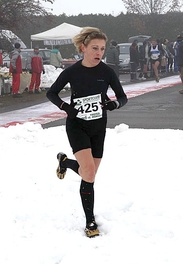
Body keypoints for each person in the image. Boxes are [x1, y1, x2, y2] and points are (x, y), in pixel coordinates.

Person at [46, 27, 128, 238]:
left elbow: (122, 97)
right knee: (89, 173)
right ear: (83, 48)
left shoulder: (107, 72)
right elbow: (51, 92)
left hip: (98, 127)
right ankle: (90, 221)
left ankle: (65, 162)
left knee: (87, 173)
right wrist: (66, 108)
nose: (99, 52)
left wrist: (114, 105)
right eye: (94, 48)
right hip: (77, 126)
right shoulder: (72, 72)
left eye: (102, 48)